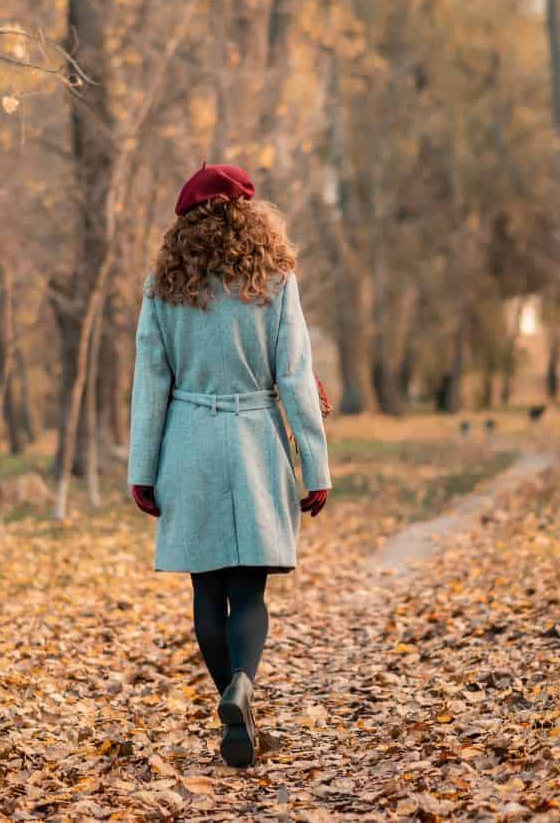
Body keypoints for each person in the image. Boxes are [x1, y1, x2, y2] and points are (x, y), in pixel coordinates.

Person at [125, 163, 332, 769]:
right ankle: (242, 689)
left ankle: (229, 701)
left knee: (205, 588)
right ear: (250, 215)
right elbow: (293, 373)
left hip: (187, 439)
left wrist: (143, 467)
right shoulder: (273, 277)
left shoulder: (164, 283)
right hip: (254, 441)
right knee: (249, 590)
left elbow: (151, 378)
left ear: (185, 221)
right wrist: (315, 465)